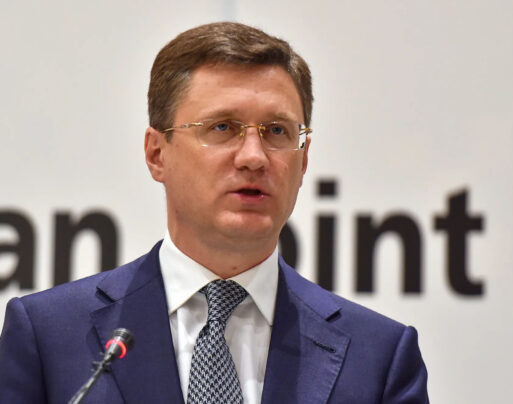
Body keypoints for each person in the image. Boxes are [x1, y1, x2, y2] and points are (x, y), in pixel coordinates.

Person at [0, 22, 429, 403]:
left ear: (304, 161)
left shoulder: (378, 358)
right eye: (222, 127)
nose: (254, 157)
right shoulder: (49, 336)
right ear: (156, 154)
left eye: (277, 131)